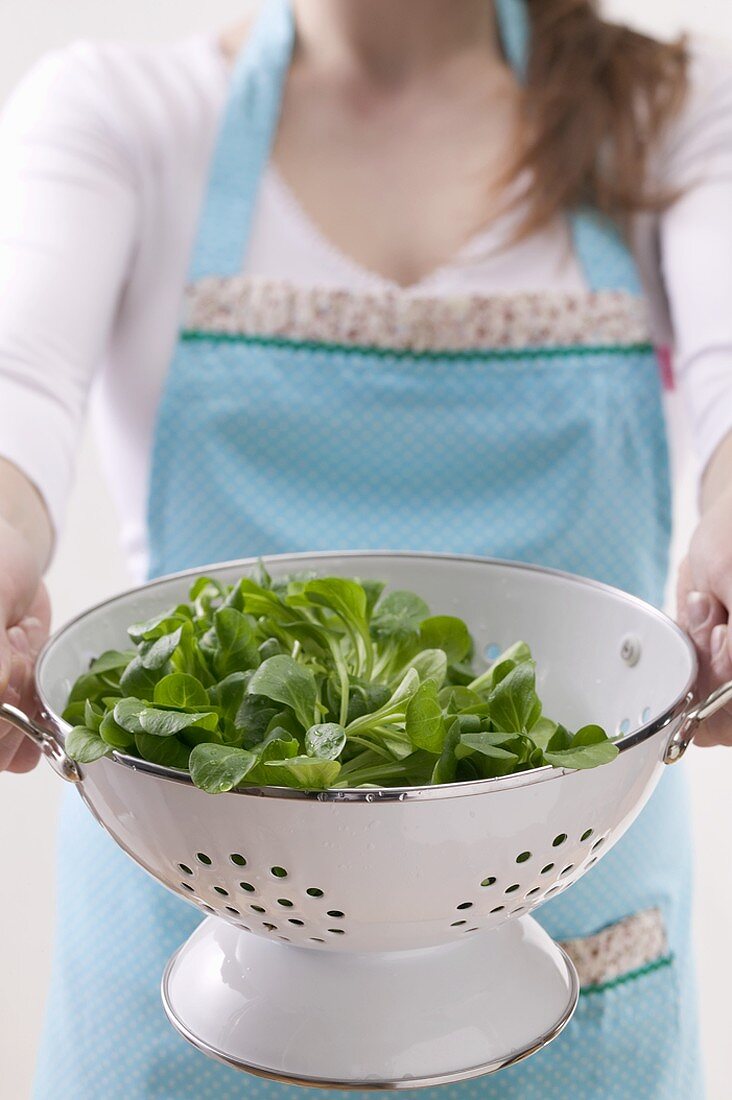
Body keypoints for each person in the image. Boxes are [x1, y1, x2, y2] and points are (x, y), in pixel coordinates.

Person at [1, 0, 732, 1095]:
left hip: (570, 932)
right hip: (187, 943)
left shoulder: (665, 109)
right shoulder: (121, 112)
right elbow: (18, 392)